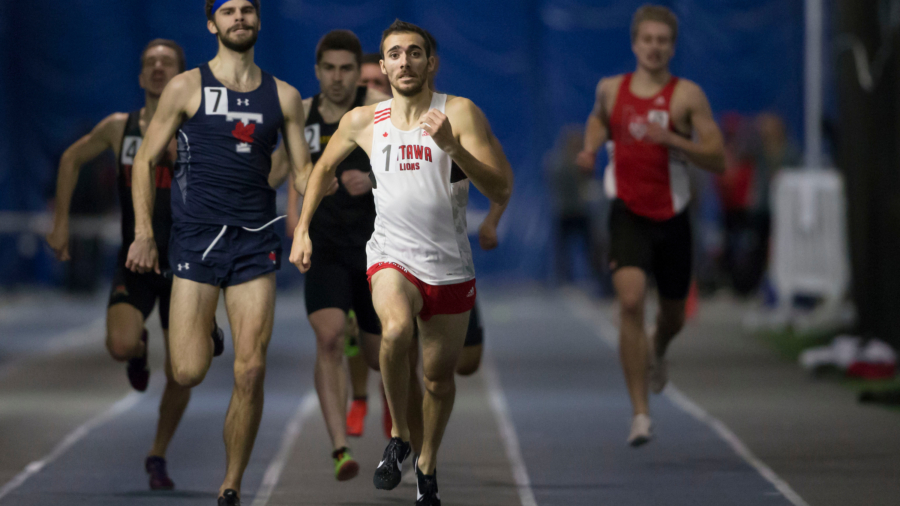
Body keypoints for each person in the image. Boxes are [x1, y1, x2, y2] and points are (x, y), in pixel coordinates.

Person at [290, 20, 513, 506]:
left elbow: (501, 189)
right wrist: (303, 229)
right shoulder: (365, 120)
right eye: (395, 54)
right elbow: (320, 169)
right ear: (385, 65)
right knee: (393, 332)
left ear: (430, 62)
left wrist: (454, 147)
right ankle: (399, 434)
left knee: (437, 378)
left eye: (415, 53)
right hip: (390, 256)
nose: (405, 61)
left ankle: (428, 461)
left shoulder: (460, 112)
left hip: (449, 265)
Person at [125, 2, 313, 504]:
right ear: (212, 24)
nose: (238, 17)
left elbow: (302, 172)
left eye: (247, 9)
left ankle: (231, 485)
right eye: (227, 10)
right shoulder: (186, 87)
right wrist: (144, 232)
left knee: (250, 369)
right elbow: (144, 159)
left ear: (258, 20)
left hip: (254, 242)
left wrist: (307, 226)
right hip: (194, 240)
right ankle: (206, 325)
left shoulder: (285, 96)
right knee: (186, 371)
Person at [46, 39, 225, 491]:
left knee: (184, 369)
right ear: (141, 75)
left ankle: (158, 454)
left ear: (183, 75)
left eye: (168, 63)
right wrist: (62, 223)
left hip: (187, 264)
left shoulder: (200, 127)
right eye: (150, 63)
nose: (159, 69)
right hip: (137, 257)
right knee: (120, 346)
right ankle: (140, 348)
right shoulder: (119, 128)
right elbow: (70, 159)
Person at [576, 5, 726, 446]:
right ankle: (640, 413)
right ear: (635, 43)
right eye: (648, 40)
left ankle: (659, 346)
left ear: (672, 47)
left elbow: (717, 157)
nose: (655, 47)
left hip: (674, 215)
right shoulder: (611, 89)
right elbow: (597, 120)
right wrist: (589, 149)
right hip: (627, 211)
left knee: (673, 315)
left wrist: (674, 140)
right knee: (630, 301)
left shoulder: (687, 96)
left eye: (663, 40)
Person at [282, 30, 391, 481]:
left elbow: (413, 168)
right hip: (325, 249)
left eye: (347, 68)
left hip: (377, 251)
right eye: (329, 68)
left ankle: (402, 424)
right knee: (327, 338)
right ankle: (339, 448)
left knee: (380, 355)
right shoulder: (302, 115)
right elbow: (288, 173)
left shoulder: (381, 111)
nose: (338, 77)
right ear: (317, 71)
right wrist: (298, 226)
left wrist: (374, 180)